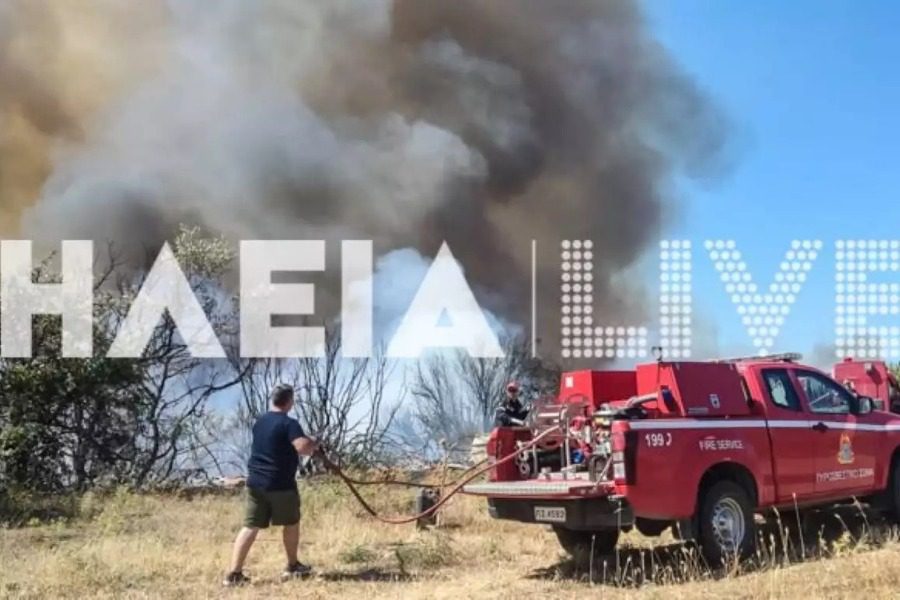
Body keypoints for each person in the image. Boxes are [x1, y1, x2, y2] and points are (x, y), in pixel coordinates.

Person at [223, 384, 319, 587]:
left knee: (250, 526)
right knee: (291, 523)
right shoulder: (289, 423)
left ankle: (234, 574)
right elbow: (302, 448)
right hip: (280, 484)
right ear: (289, 401)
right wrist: (314, 442)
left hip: (256, 483)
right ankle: (292, 566)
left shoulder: (260, 422)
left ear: (273, 400)